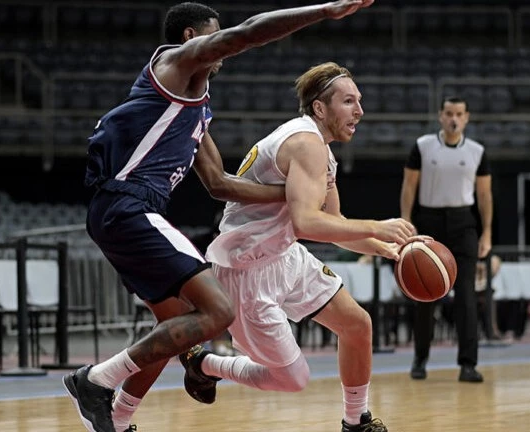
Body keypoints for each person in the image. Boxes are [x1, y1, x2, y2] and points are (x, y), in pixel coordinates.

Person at [62, 2, 377, 432]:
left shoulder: (195, 108)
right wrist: (324, 11)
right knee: (218, 312)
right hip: (128, 206)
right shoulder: (172, 63)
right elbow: (246, 32)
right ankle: (96, 379)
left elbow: (218, 183)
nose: (224, 50)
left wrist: (290, 195)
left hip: (131, 213)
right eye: (216, 37)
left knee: (178, 326)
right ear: (194, 38)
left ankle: (116, 420)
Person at [179, 62, 414, 432]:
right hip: (246, 271)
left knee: (357, 325)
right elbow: (307, 223)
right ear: (320, 108)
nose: (360, 111)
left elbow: (333, 226)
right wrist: (379, 226)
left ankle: (357, 421)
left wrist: (384, 246)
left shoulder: (320, 149)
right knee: (292, 379)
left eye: (360, 101)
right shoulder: (305, 143)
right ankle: (204, 364)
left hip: (284, 256)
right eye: (349, 101)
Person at [399, 96, 492, 383]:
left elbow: (485, 195)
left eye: (459, 114)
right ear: (440, 116)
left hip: (464, 223)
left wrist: (486, 231)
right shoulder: (423, 146)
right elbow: (409, 186)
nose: (454, 118)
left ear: (467, 118)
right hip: (429, 220)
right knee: (425, 293)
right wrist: (406, 224)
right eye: (449, 113)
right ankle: (420, 358)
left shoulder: (477, 151)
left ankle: (468, 364)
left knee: (466, 295)